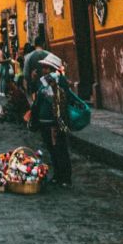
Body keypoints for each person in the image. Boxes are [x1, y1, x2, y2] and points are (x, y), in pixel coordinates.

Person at [29, 57, 75, 188]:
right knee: (51, 150)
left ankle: (66, 178)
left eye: (46, 67)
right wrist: (33, 80)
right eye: (43, 67)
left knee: (60, 149)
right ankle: (57, 175)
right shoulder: (42, 82)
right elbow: (36, 97)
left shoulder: (59, 80)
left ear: (53, 69)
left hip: (55, 122)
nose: (43, 70)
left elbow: (64, 99)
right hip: (44, 122)